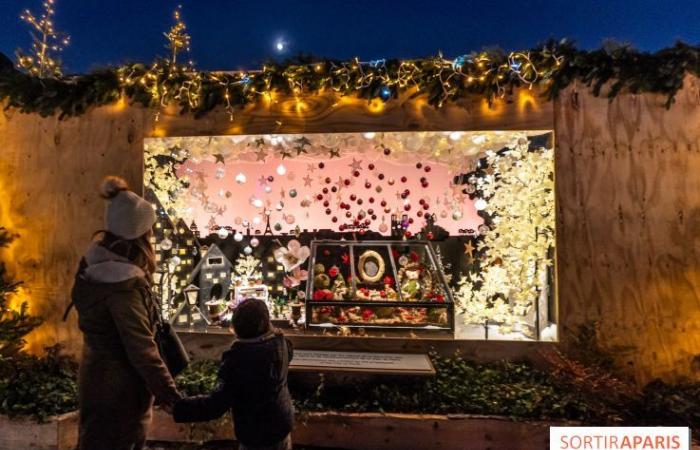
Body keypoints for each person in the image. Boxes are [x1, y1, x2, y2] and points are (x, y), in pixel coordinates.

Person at [69, 176, 181, 450]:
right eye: (150, 231)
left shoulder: (92, 267)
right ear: (139, 235)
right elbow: (141, 348)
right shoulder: (123, 287)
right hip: (120, 391)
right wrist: (170, 395)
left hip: (97, 378)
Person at [173, 298, 294, 450]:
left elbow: (216, 404)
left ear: (236, 327)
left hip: (256, 434)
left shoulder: (237, 361)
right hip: (281, 425)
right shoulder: (281, 343)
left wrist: (179, 407)